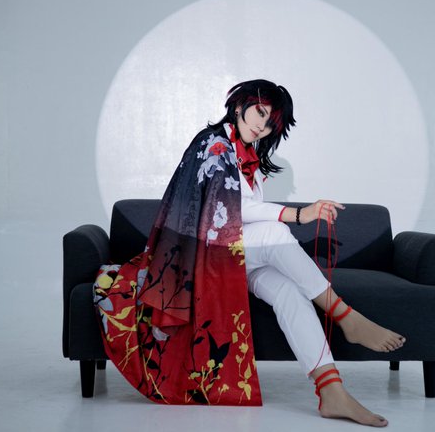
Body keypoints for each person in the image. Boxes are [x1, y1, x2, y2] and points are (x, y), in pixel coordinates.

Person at [93, 79, 405, 427]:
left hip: (233, 255)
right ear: (240, 105)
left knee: (288, 292)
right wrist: (299, 214)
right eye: (259, 112)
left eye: (270, 122)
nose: (262, 125)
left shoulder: (247, 158)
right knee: (276, 231)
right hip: (199, 256)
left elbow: (242, 217)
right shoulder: (213, 144)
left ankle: (331, 390)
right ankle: (345, 315)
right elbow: (231, 208)